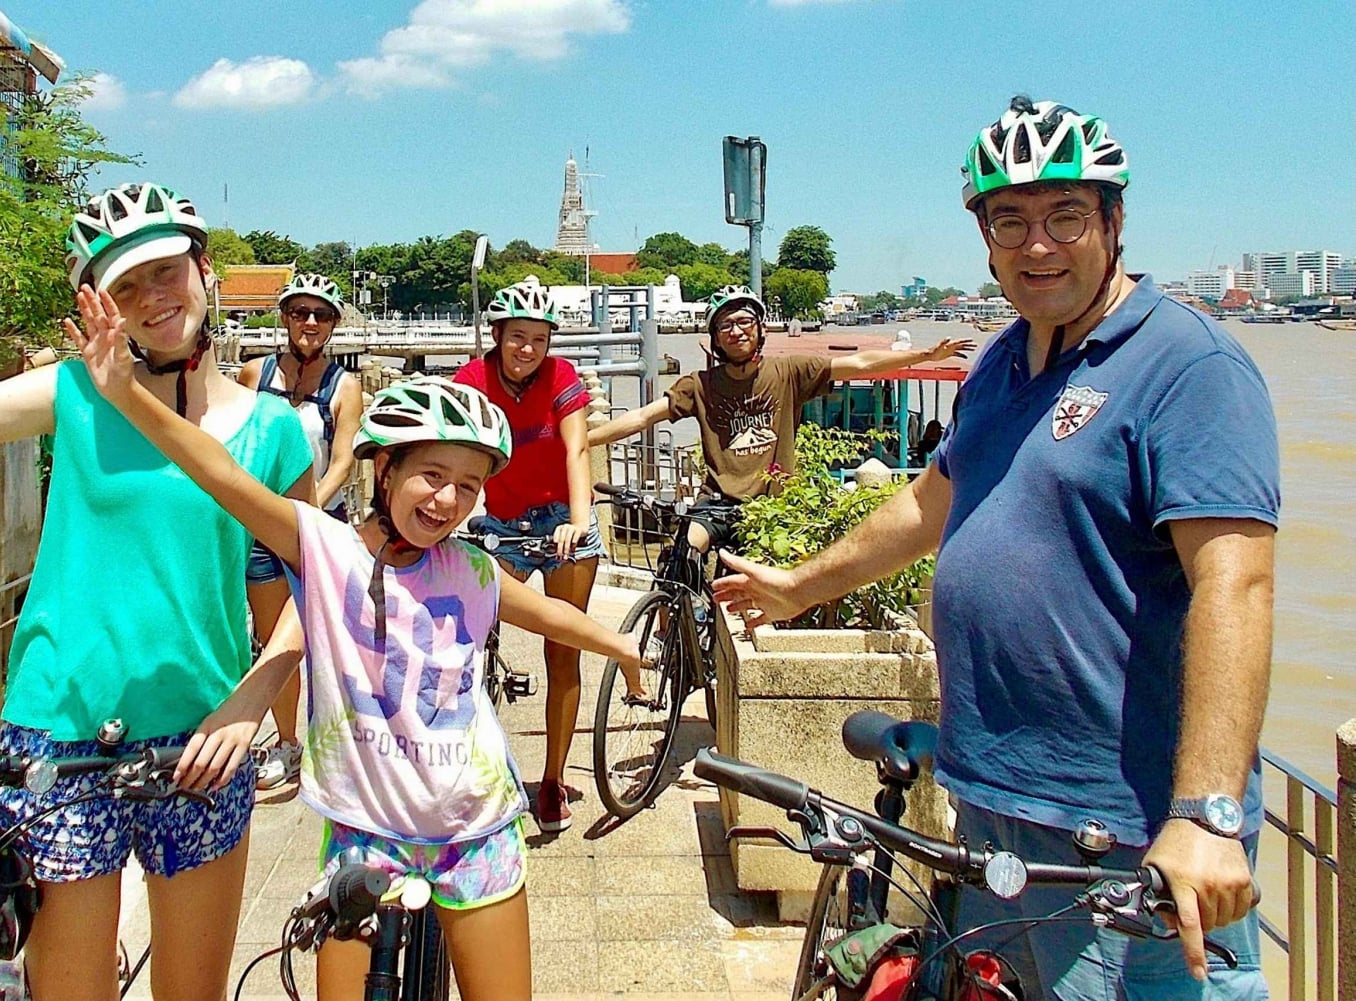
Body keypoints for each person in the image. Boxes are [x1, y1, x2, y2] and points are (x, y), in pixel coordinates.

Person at [713, 96, 1276, 998]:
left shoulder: (1189, 368)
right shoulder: (1001, 364)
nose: (1037, 244)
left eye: (1065, 215)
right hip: (991, 807)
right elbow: (926, 504)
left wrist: (1206, 812)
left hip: (1124, 840)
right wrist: (796, 586)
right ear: (984, 236)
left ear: (1114, 221)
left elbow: (1237, 583)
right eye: (1009, 219)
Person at [65, 278, 648, 1001]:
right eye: (432, 475)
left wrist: (622, 647)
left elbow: (544, 614)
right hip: (365, 833)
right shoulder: (327, 549)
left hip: (476, 828)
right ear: (386, 467)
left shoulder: (469, 565)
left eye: (469, 486)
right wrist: (128, 396)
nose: (448, 501)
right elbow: (220, 474)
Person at [0, 181, 314, 1001]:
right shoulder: (74, 393)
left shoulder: (274, 430)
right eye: (126, 286)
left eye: (166, 271)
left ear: (204, 269)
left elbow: (326, 583)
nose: (152, 298)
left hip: (198, 745)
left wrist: (255, 699)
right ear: (98, 302)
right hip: (58, 737)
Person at [588, 284, 973, 554]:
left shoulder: (789, 372)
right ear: (716, 338)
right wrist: (584, 440)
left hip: (775, 507)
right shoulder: (700, 385)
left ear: (758, 329)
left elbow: (857, 364)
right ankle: (672, 639)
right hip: (719, 503)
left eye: (744, 322)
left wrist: (923, 356)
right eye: (726, 325)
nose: (736, 331)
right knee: (682, 554)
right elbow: (641, 417)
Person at [452, 281, 605, 832]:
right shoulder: (473, 380)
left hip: (560, 515)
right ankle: (469, 765)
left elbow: (576, 447)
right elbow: (456, 446)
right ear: (497, 336)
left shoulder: (560, 376)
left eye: (539, 339)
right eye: (518, 337)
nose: (528, 349)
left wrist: (580, 518)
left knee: (563, 649)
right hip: (503, 522)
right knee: (462, 643)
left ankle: (553, 778)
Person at [238, 272, 364, 790]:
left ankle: (336, 743)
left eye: (321, 315)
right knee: (274, 644)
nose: (309, 323)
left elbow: (344, 461)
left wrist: (309, 513)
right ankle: (288, 742)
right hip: (260, 528)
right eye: (299, 313)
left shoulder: (344, 386)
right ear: (285, 318)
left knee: (328, 640)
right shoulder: (253, 374)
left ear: (333, 325)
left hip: (317, 524)